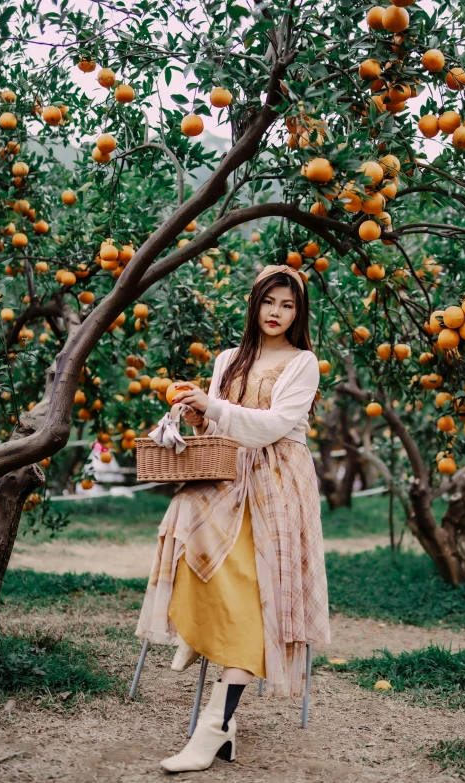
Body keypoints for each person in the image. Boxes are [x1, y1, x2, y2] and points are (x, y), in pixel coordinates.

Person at [135, 264, 331, 773]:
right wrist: (199, 412)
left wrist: (215, 409)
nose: (277, 313)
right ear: (255, 304)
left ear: (299, 313)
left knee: (255, 592)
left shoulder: (303, 362)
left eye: (288, 306)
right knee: (186, 531)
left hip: (277, 482)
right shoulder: (227, 358)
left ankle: (216, 724)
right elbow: (215, 423)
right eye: (270, 302)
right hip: (225, 473)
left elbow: (274, 425)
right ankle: (197, 634)